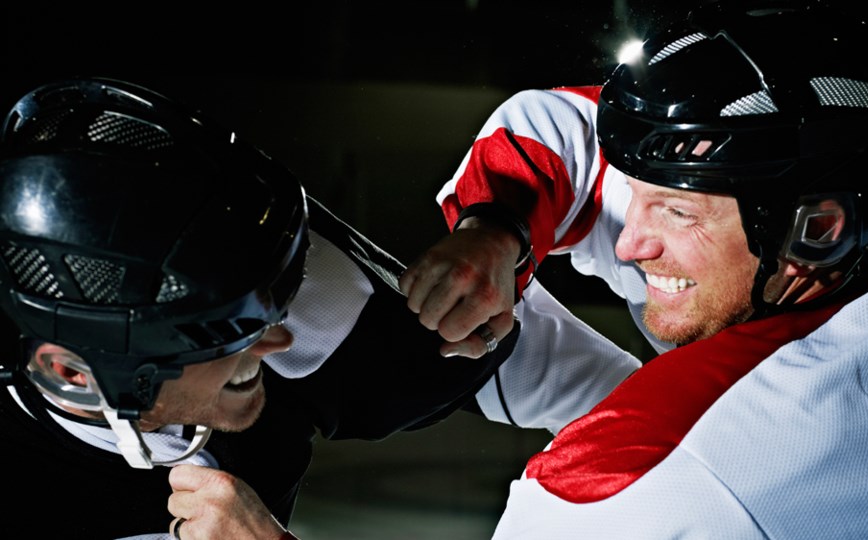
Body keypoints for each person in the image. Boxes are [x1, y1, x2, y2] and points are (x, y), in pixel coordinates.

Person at [398, 1, 868, 537]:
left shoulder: (647, 485)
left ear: (820, 230)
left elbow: (677, 463)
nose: (630, 244)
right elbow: (563, 130)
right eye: (639, 194)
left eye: (676, 212)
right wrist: (494, 232)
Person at [0, 77, 525, 539]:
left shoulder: (305, 298)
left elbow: (556, 370)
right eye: (224, 329)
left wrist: (498, 234)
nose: (280, 339)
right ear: (74, 373)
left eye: (277, 289)